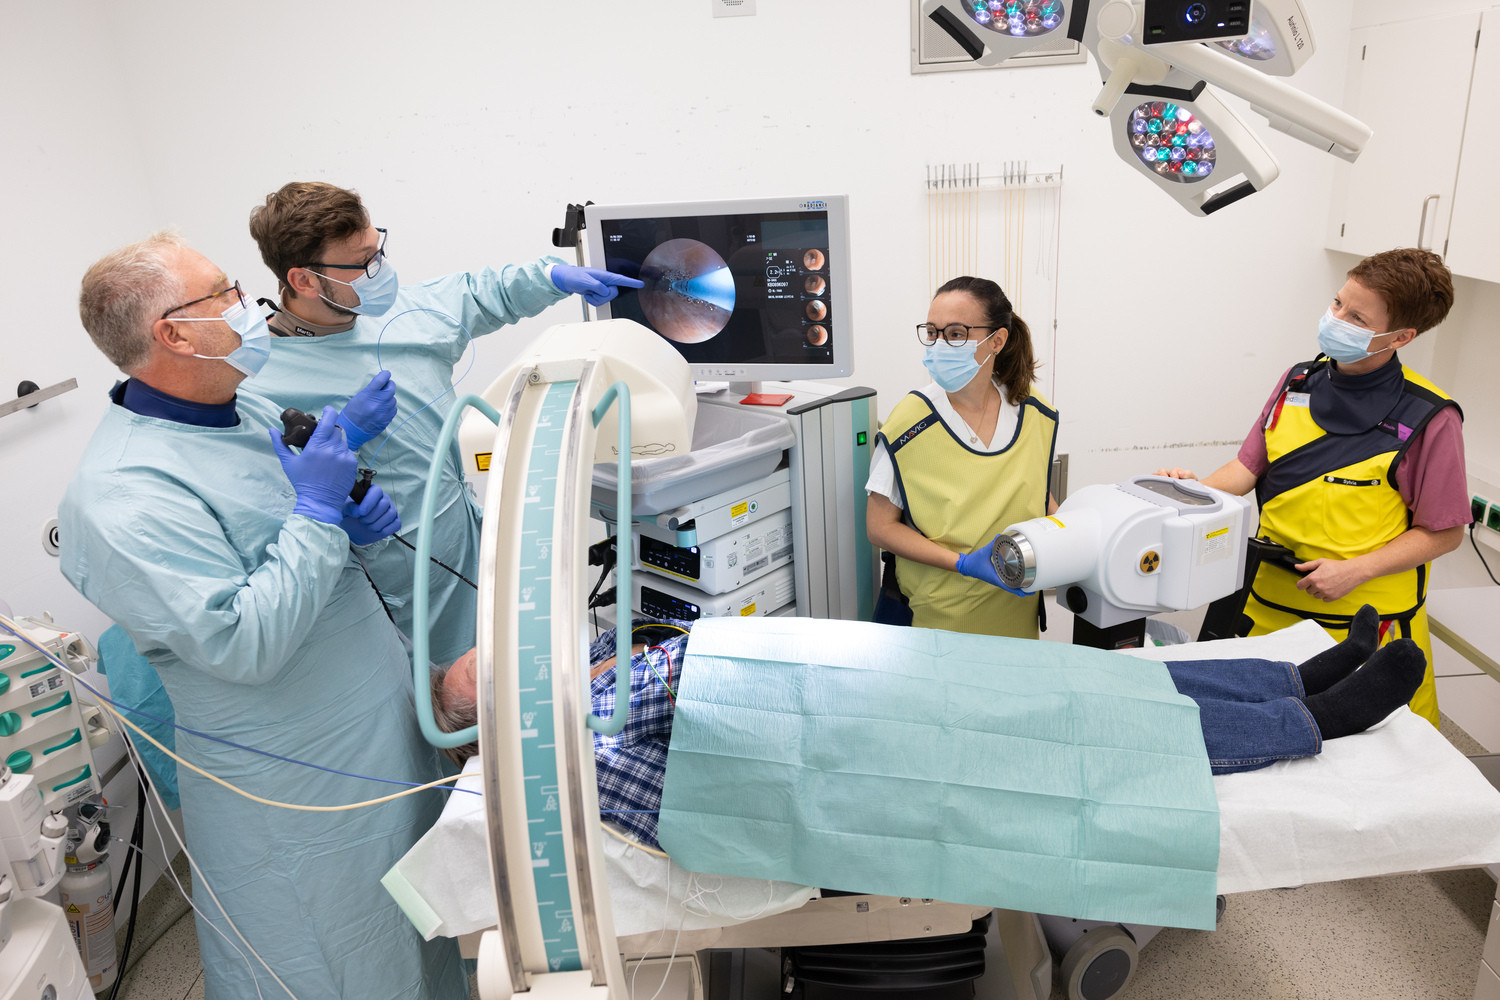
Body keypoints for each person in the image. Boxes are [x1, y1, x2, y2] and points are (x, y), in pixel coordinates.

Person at [59, 233, 465, 1000]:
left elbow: (275, 528)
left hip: (375, 727)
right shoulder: (121, 496)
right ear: (173, 334)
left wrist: (346, 506)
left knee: (420, 933)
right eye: (225, 294)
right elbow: (245, 645)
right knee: (336, 959)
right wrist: (319, 515)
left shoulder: (239, 402)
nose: (251, 306)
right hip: (297, 787)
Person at [431, 608, 1425, 852]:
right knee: (1076, 726)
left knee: (1078, 679)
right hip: (867, 757)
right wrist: (613, 675)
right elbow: (686, 702)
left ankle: (1286, 673)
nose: (562, 660)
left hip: (867, 693)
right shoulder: (579, 755)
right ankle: (1315, 718)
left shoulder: (591, 694)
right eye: (521, 671)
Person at [246, 181, 643, 667]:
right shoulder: (261, 379)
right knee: (442, 707)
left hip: (470, 544)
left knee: (512, 669)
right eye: (362, 262)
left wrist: (553, 276)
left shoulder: (406, 314)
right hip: (394, 583)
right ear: (304, 281)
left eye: (379, 250)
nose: (380, 271)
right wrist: (347, 435)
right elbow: (265, 498)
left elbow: (483, 292)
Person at [1157, 249, 1469, 727]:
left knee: (1364, 765)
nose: (1336, 319)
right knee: (1249, 736)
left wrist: (1354, 570)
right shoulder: (1299, 380)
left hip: (1364, 626)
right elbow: (1246, 469)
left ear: (1402, 336)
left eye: (1357, 316)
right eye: (1338, 303)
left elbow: (1444, 532)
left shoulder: (1429, 416)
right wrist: (1194, 492)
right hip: (1265, 609)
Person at [866, 276, 1059, 638]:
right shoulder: (910, 423)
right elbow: (879, 527)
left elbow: (1038, 495)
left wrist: (1074, 538)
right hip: (938, 620)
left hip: (1016, 612)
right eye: (933, 332)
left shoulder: (1033, 412)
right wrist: (964, 564)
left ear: (997, 340)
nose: (939, 345)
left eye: (955, 334)